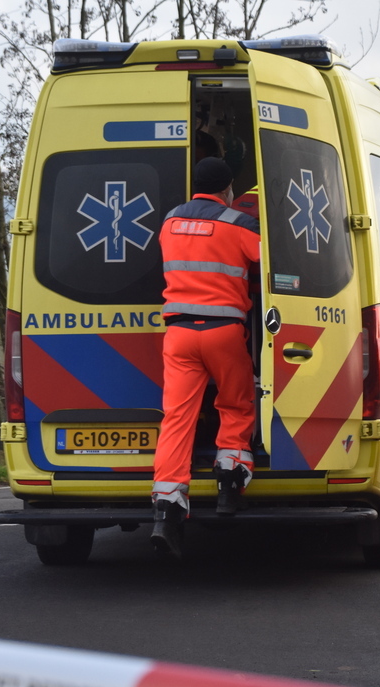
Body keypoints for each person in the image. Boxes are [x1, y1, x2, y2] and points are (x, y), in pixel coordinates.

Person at [150, 157, 261, 559]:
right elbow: (271, 268)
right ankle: (229, 485)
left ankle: (167, 509)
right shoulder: (240, 224)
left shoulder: (170, 222)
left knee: (177, 418)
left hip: (179, 335)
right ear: (228, 188)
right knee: (235, 403)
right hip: (224, 333)